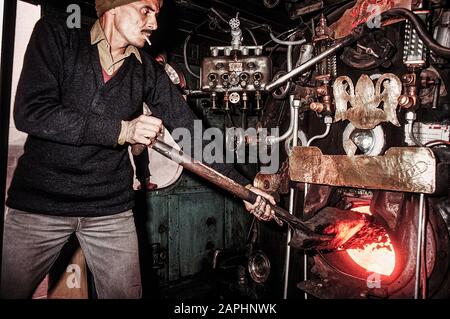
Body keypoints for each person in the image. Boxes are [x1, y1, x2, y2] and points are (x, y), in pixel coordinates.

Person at [0, 0, 275, 299]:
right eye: (146, 9)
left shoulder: (147, 70)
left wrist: (243, 188)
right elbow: (32, 111)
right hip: (39, 206)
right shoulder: (58, 34)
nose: (155, 24)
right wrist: (123, 130)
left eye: (157, 14)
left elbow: (192, 135)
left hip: (110, 210)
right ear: (113, 7)